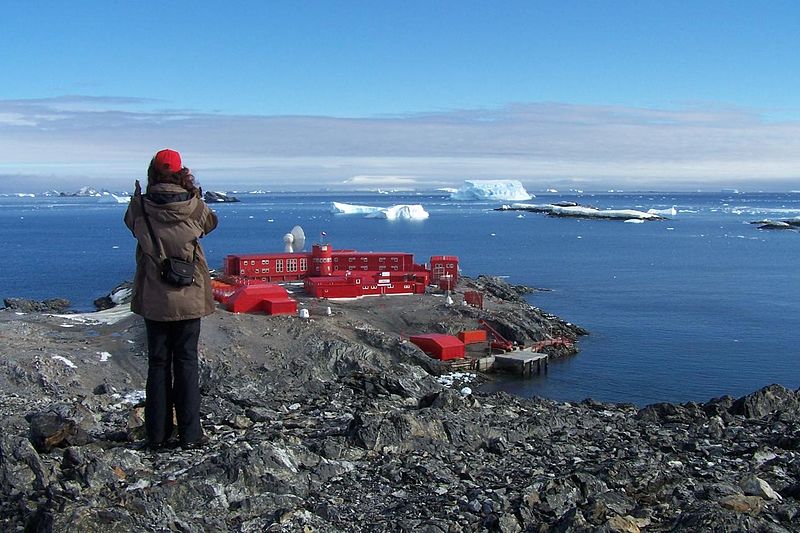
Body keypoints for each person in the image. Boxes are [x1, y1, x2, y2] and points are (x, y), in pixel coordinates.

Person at [124, 149, 218, 450]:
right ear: (181, 172)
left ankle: (157, 434)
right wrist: (193, 195)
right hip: (188, 294)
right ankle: (191, 435)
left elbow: (130, 224)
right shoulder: (194, 207)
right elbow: (210, 224)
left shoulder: (139, 207)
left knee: (158, 363)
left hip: (155, 297)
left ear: (152, 172)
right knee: (187, 363)